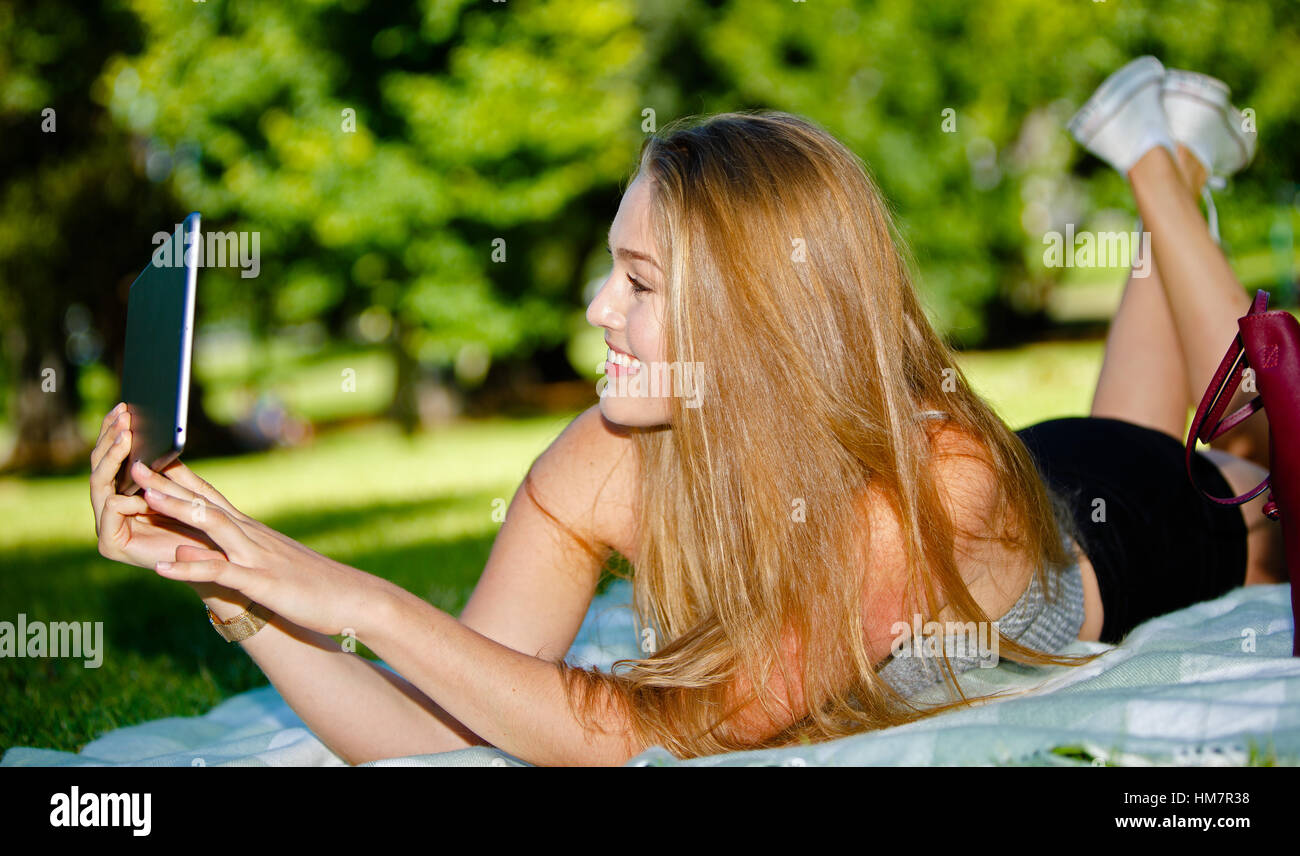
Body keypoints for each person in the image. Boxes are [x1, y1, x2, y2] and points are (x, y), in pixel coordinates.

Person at [89, 66, 1287, 764]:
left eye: (644, 283)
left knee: (1248, 447)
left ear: (755, 317)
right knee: (1168, 402)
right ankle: (1163, 166)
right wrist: (243, 598)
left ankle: (1151, 171)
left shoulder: (931, 481)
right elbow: (444, 735)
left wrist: (353, 593)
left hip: (1132, 531)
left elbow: (656, 731)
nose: (600, 306)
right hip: (1039, 488)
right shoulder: (608, 453)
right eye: (614, 267)